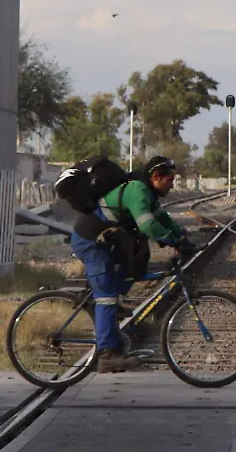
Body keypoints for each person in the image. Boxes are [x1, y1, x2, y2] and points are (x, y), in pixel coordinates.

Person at [69, 155, 195, 373]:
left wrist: (182, 236)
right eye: (170, 180)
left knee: (135, 264)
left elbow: (162, 219)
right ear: (156, 177)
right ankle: (107, 356)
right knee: (107, 296)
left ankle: (104, 308)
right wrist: (173, 241)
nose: (172, 185)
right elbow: (147, 225)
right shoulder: (137, 190)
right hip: (90, 242)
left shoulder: (148, 193)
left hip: (106, 240)